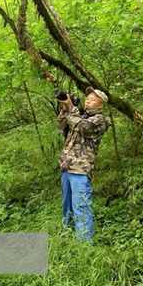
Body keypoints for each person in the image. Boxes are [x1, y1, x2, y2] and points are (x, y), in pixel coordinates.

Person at [57, 86, 111, 244]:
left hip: (80, 169)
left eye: (93, 99)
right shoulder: (79, 115)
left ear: (100, 104)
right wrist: (65, 108)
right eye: (87, 98)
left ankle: (85, 244)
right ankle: (67, 237)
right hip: (67, 166)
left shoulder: (100, 120)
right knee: (67, 206)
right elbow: (61, 126)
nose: (88, 101)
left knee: (81, 206)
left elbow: (82, 127)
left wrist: (72, 109)